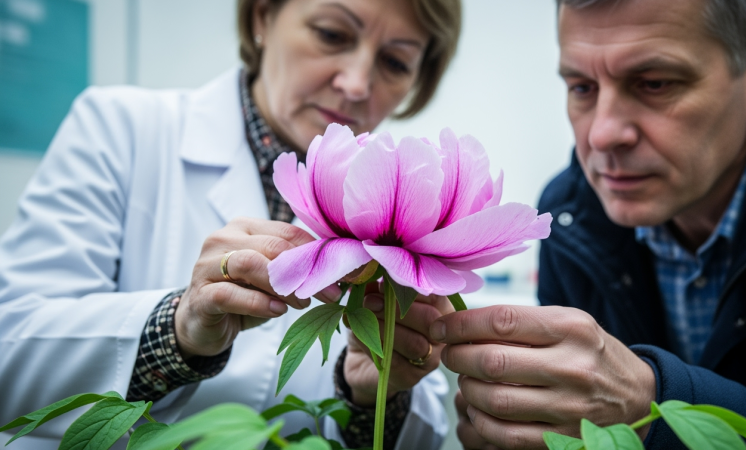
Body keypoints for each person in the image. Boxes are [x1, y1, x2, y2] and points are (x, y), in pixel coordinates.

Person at [0, 0, 461, 449]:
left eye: (395, 62)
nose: (357, 84)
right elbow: (10, 353)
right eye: (332, 34)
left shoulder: (404, 203)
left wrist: (372, 395)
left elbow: (423, 435)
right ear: (262, 16)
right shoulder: (119, 127)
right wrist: (175, 330)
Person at [434, 0, 746, 448]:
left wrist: (654, 410)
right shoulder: (569, 215)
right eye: (582, 87)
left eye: (654, 84)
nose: (601, 135)